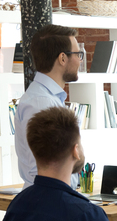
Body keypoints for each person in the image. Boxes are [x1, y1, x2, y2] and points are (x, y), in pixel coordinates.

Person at [15, 24, 82, 189]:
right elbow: (40, 169)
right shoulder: (41, 103)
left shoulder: (48, 98)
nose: (80, 60)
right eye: (78, 54)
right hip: (50, 202)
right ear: (62, 59)